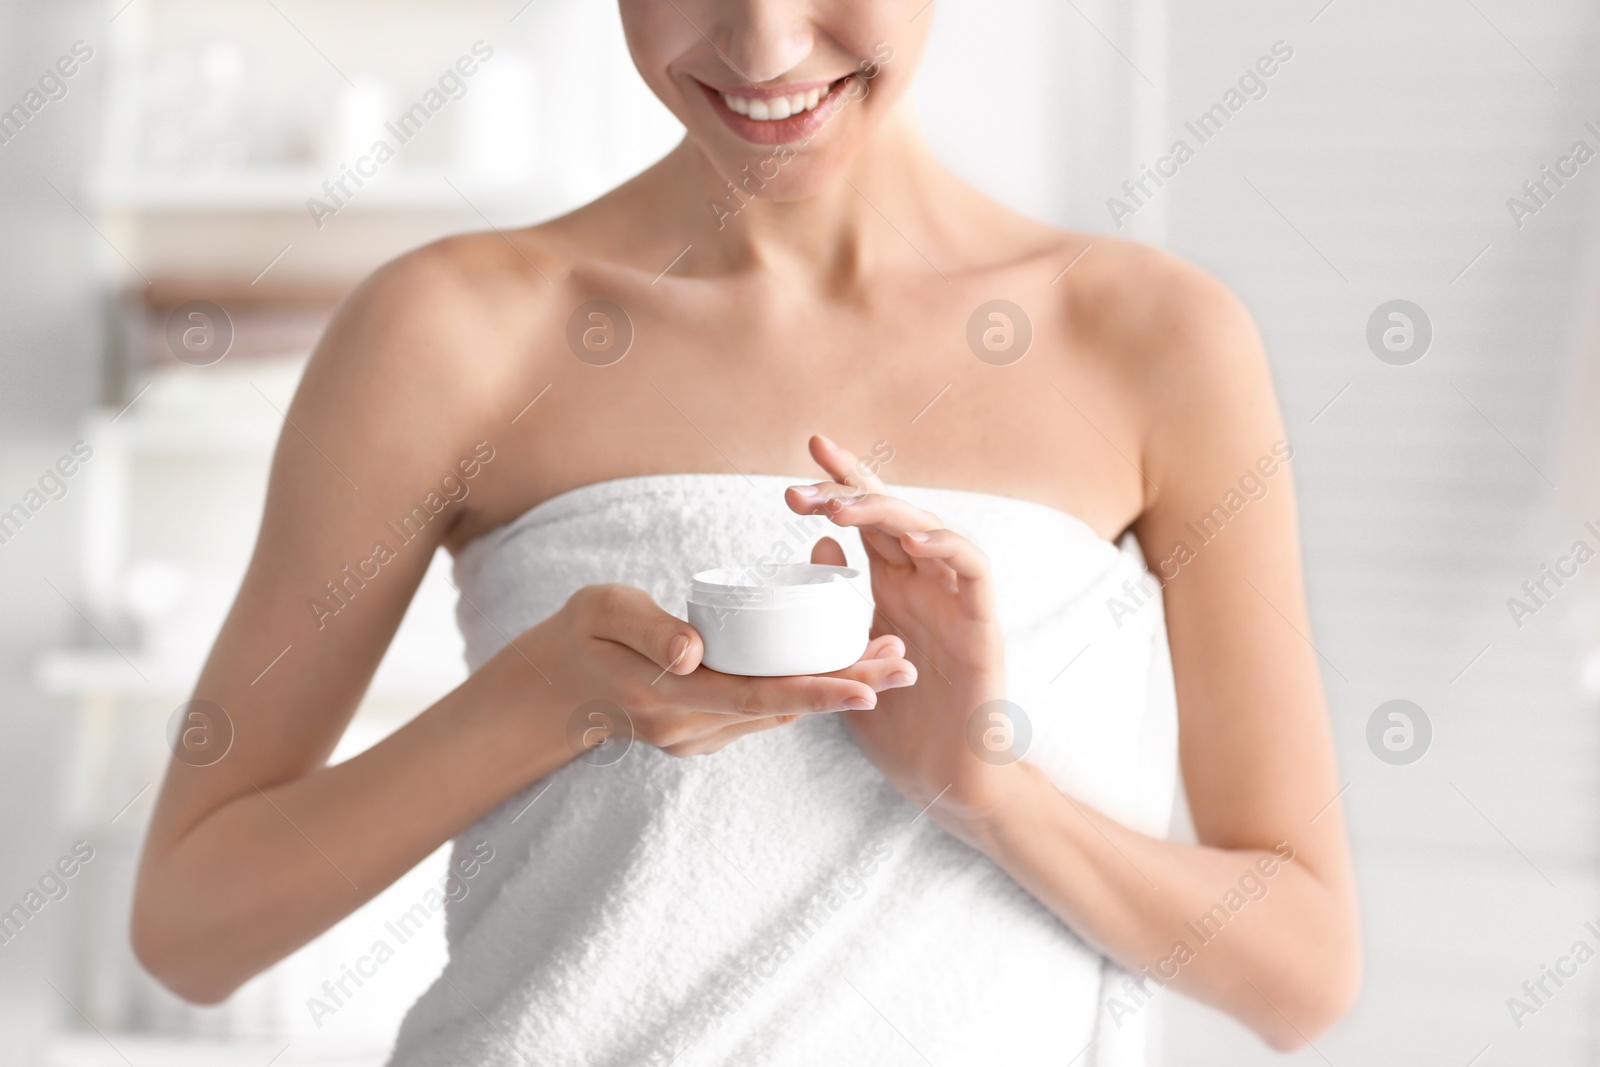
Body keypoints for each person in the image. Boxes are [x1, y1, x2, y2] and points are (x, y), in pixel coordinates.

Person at [133, 2, 1360, 1062]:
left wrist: (984, 789)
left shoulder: (1153, 339)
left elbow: (1299, 969)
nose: (763, 44)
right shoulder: (449, 331)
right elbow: (193, 923)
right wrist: (549, 700)